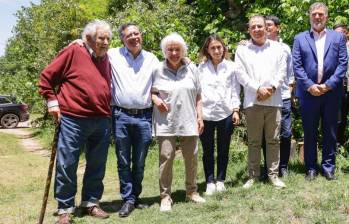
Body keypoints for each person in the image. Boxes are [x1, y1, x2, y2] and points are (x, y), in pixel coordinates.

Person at [38, 20, 112, 224]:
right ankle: (65, 209)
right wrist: (52, 102)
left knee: (97, 164)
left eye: (108, 38)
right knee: (67, 164)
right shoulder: (73, 51)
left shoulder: (105, 58)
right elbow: (46, 78)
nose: (105, 42)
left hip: (102, 119)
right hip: (73, 119)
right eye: (101, 38)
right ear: (88, 38)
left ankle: (90, 202)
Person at [108, 23, 159, 217]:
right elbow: (91, 50)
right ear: (122, 38)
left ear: (141, 36)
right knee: (122, 160)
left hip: (144, 116)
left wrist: (186, 60)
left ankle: (135, 197)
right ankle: (128, 199)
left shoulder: (152, 59)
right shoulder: (113, 55)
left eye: (136, 33)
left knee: (139, 161)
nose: (134, 37)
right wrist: (80, 41)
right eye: (129, 35)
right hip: (120, 115)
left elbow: (167, 71)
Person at [292, 2, 348, 181]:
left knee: (330, 131)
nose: (317, 17)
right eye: (314, 14)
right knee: (310, 131)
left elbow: (342, 64)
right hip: (309, 94)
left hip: (331, 93)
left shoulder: (337, 38)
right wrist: (310, 86)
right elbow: (297, 65)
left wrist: (328, 85)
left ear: (326, 17)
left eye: (321, 14)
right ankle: (310, 167)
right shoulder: (300, 38)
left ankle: (328, 167)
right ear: (309, 16)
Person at [151, 32, 206, 212]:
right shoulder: (157, 69)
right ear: (164, 51)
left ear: (183, 51)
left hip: (189, 119)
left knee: (191, 158)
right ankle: (165, 197)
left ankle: (192, 192)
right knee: (166, 158)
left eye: (177, 49)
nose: (174, 53)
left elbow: (198, 95)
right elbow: (151, 92)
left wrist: (200, 117)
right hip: (165, 122)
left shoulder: (192, 68)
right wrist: (156, 100)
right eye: (170, 49)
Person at [235, 15, 287, 189]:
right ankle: (253, 176)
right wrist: (258, 88)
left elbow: (282, 71)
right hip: (253, 101)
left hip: (274, 100)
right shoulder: (242, 50)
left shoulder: (278, 48)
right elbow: (241, 74)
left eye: (259, 26)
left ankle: (273, 175)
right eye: (253, 27)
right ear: (249, 30)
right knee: (254, 141)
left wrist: (271, 88)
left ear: (266, 28)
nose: (256, 30)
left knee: (273, 140)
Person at [197, 34, 241, 195]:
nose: (216, 50)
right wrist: (198, 115)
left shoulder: (231, 67)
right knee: (207, 150)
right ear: (207, 50)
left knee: (223, 148)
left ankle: (220, 180)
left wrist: (236, 110)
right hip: (206, 114)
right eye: (212, 48)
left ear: (223, 48)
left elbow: (235, 90)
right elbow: (197, 92)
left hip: (226, 113)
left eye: (219, 47)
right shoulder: (200, 68)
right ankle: (209, 181)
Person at [264, 15, 294, 177]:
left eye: (269, 25)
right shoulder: (254, 46)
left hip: (283, 96)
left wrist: (289, 90)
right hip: (264, 97)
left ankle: (283, 166)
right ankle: (268, 167)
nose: (266, 28)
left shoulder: (285, 48)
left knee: (285, 132)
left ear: (277, 27)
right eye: (264, 25)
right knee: (266, 134)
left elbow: (290, 73)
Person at [333, 24, 349, 146]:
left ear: (346, 33)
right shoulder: (332, 48)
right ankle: (338, 144)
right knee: (339, 119)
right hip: (338, 89)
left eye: (340, 33)